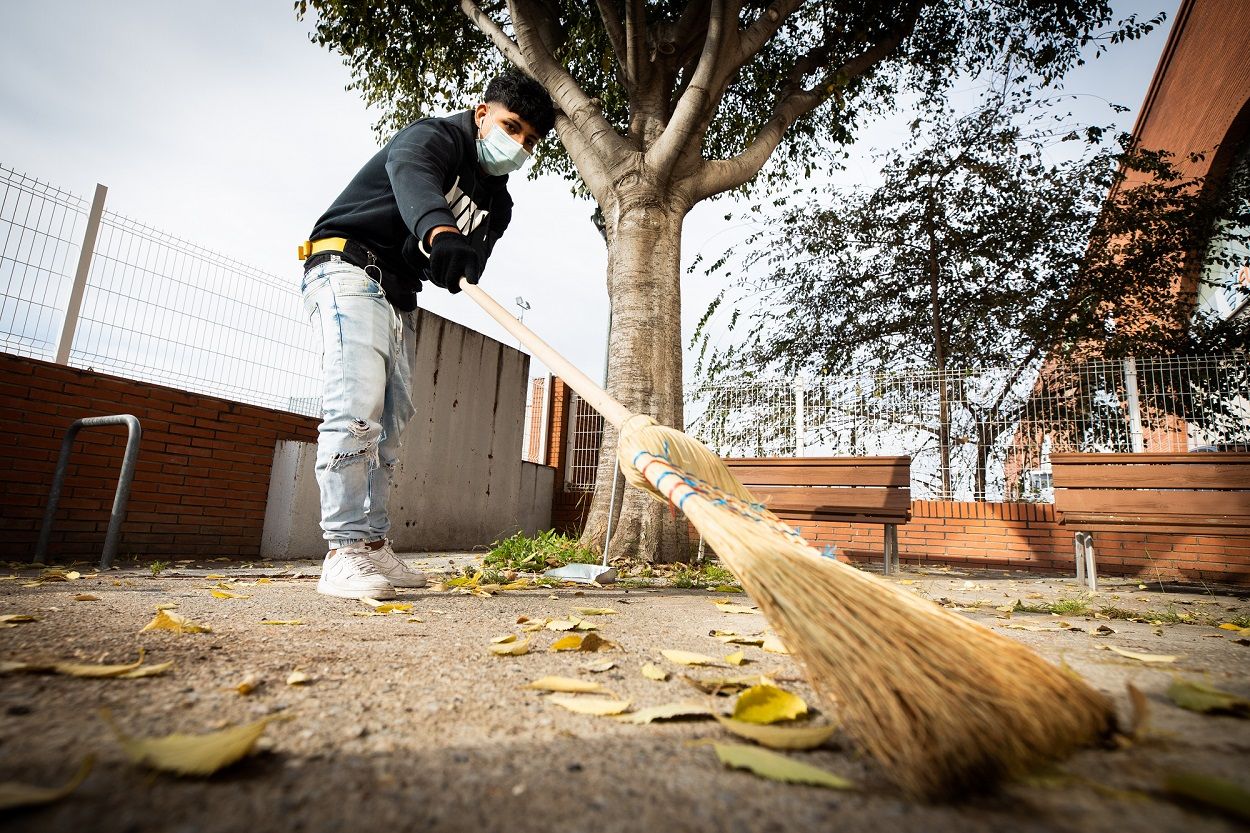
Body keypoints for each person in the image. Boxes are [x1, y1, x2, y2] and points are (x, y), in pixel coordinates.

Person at [298, 70, 555, 600]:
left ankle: (371, 546)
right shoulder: (435, 137)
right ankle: (342, 551)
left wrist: (460, 259)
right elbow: (411, 172)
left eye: (530, 140)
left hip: (398, 293)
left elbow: (468, 261)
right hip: (346, 265)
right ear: (483, 113)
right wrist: (440, 230)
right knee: (356, 407)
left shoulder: (499, 204)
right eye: (513, 126)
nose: (519, 144)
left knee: (393, 421)